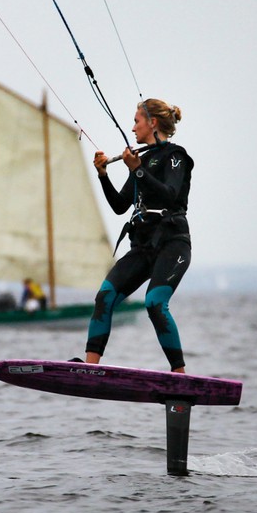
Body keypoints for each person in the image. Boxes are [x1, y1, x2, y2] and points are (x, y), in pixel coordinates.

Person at [80, 99, 193, 373]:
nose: (133, 128)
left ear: (152, 122)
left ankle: (179, 375)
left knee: (154, 303)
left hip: (172, 243)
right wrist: (103, 175)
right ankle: (90, 369)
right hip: (142, 246)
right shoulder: (142, 159)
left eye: (136, 121)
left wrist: (137, 169)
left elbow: (169, 194)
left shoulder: (176, 156)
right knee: (104, 297)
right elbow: (120, 206)